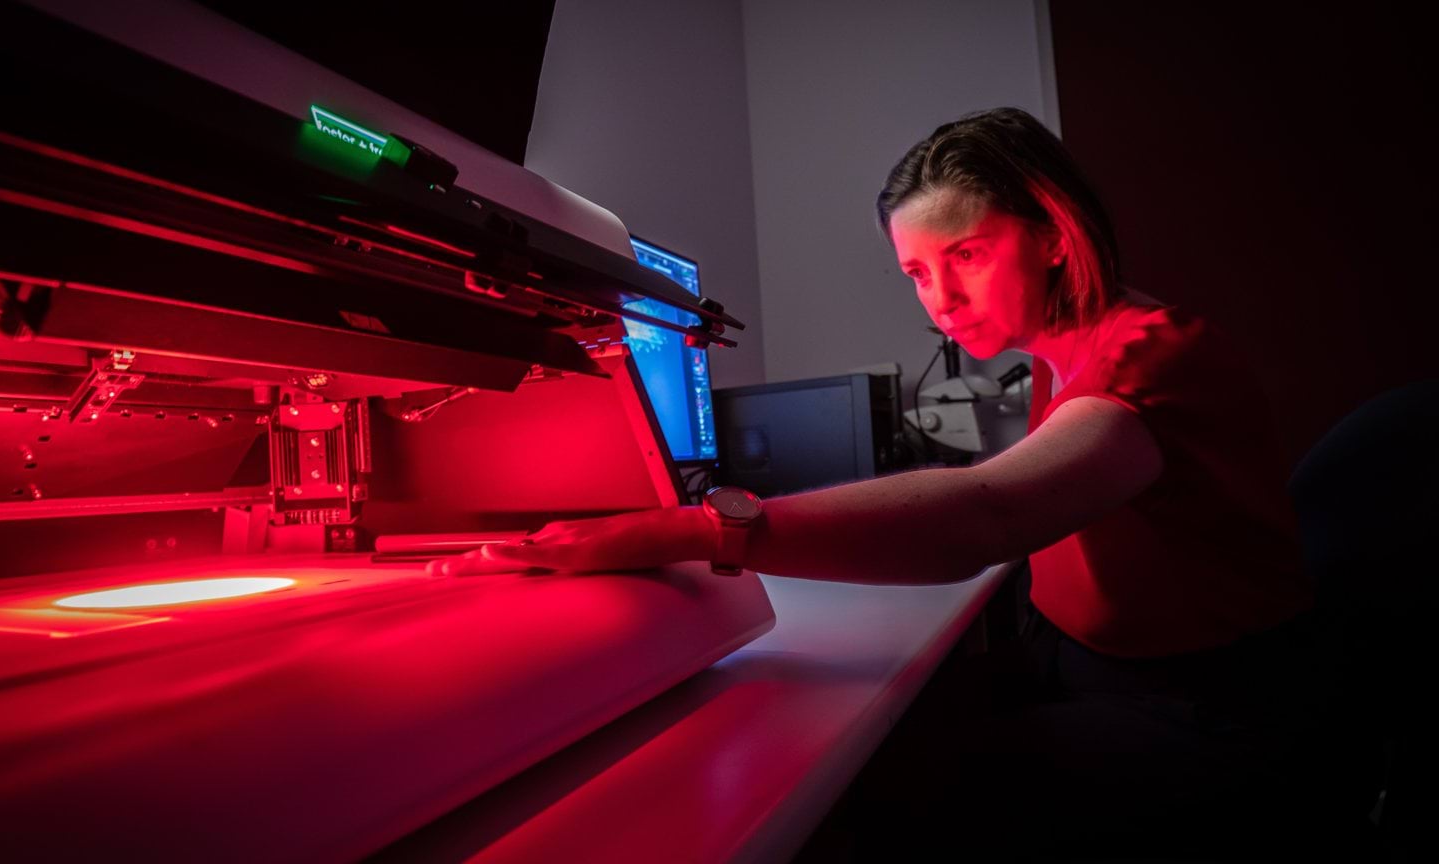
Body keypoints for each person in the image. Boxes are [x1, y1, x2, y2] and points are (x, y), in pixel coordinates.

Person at [437, 107, 1329, 858]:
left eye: (967, 255)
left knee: (871, 797)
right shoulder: (1067, 354)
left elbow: (987, 516)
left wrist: (688, 530)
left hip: (1213, 707)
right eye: (915, 272)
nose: (938, 297)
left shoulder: (1151, 356)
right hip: (1092, 664)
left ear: (1055, 238)